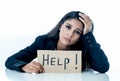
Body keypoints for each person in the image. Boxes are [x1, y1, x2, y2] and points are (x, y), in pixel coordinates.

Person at [5, 11, 109, 73]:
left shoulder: (87, 47)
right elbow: (11, 60)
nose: (70, 34)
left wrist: (88, 35)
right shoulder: (43, 41)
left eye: (77, 32)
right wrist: (24, 66)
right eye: (68, 27)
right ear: (60, 26)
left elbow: (103, 67)